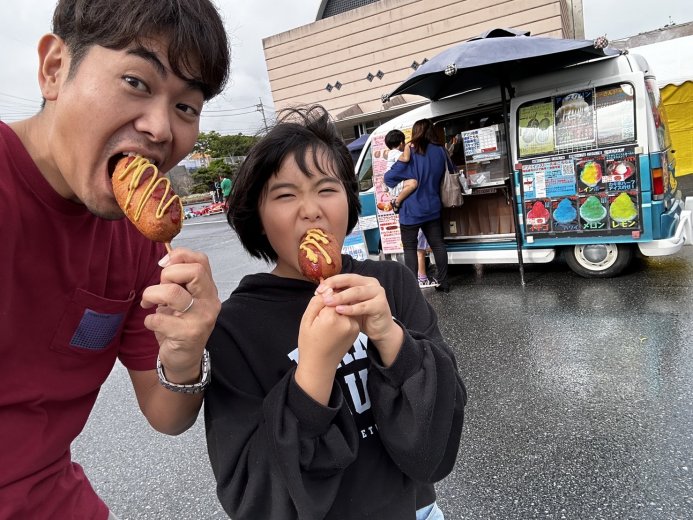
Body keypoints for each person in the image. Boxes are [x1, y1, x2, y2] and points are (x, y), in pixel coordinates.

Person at [0, 1, 230, 519]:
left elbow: (168, 416)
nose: (160, 128)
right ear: (54, 69)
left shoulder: (139, 241)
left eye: (186, 107)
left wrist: (186, 351)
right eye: (136, 81)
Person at [204, 105, 466, 520]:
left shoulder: (392, 284)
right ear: (258, 216)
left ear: (348, 200)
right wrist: (315, 370)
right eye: (285, 195)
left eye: (327, 189)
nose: (311, 209)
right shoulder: (234, 328)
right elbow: (253, 496)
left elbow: (439, 436)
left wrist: (390, 337)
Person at [384, 118, 455, 293]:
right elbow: (451, 170)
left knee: (410, 248)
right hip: (433, 207)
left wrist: (406, 179)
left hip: (411, 210)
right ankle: (443, 283)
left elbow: (389, 178)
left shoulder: (411, 151)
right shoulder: (440, 150)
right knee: (438, 244)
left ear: (415, 132)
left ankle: (412, 289)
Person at [384, 129, 416, 213]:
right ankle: (397, 202)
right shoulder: (395, 152)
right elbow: (406, 158)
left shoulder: (391, 152)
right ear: (402, 143)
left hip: (392, 180)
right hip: (392, 181)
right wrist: (407, 147)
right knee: (413, 183)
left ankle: (396, 201)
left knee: (411, 183)